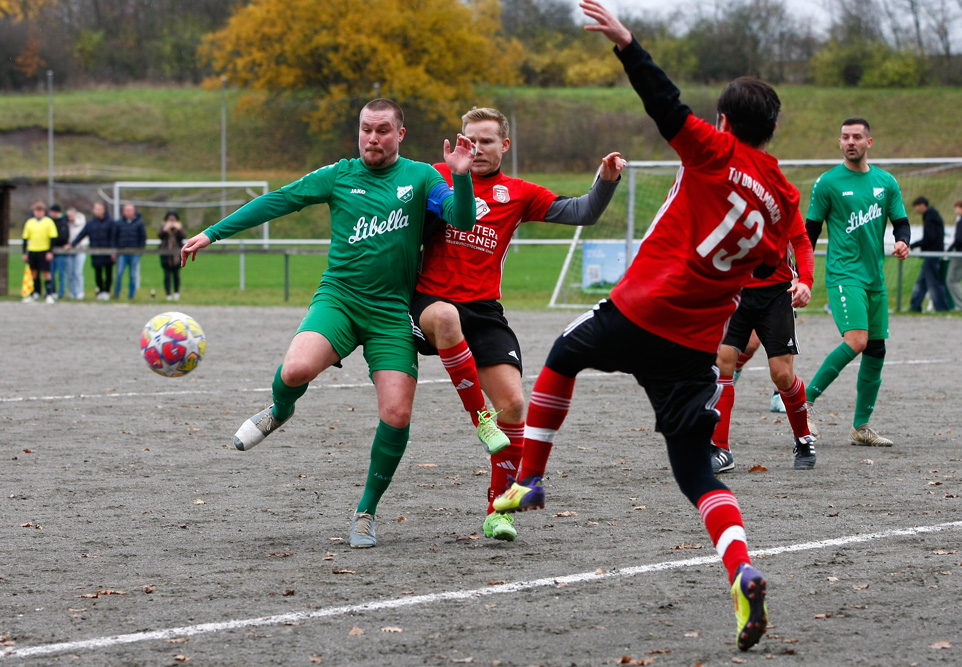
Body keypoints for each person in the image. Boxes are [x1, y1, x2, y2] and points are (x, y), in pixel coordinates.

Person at [494, 1, 801, 651]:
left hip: (644, 309)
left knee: (562, 354)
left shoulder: (715, 150)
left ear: (725, 122)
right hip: (694, 345)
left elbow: (664, 105)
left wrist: (628, 44)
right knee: (699, 476)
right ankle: (741, 569)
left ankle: (531, 475)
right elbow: (771, 262)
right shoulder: (783, 197)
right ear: (773, 131)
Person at [180, 98, 478, 549]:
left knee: (396, 414)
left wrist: (460, 174)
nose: (372, 138)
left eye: (382, 130)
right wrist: (211, 233)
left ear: (400, 134)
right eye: (365, 129)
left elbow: (461, 219)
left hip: (390, 312)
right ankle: (280, 410)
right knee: (295, 371)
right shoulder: (339, 175)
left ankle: (366, 510)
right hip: (338, 300)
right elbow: (278, 201)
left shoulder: (421, 177)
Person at [411, 106, 625, 542]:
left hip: (485, 310)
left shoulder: (519, 193)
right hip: (431, 303)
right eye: (471, 141)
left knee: (514, 405)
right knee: (446, 318)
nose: (478, 149)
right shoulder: (435, 176)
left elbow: (582, 212)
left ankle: (499, 510)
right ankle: (479, 420)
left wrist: (606, 181)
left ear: (504, 146)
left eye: (487, 141)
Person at [803, 118, 910, 447]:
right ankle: (801, 403)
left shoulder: (885, 182)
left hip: (874, 278)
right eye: (845, 137)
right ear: (840, 143)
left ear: (869, 142)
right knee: (857, 341)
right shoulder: (828, 183)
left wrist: (903, 241)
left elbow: (901, 222)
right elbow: (809, 232)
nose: (851, 141)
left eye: (857, 137)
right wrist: (800, 272)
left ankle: (861, 427)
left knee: (876, 349)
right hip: (843, 274)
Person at [710, 217, 815, 474]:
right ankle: (721, 449)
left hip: (777, 294)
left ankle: (803, 439)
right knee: (723, 362)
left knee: (782, 375)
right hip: (736, 290)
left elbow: (801, 240)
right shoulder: (726, 191)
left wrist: (806, 281)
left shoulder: (780, 193)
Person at [908, 196, 949, 313]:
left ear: (922, 205)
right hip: (933, 252)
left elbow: (930, 237)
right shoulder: (933, 214)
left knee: (933, 282)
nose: (916, 210)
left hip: (932, 253)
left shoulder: (930, 216)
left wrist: (916, 245)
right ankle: (915, 306)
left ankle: (942, 308)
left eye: (916, 207)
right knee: (923, 281)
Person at [69, 202, 116, 300]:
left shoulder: (110, 222)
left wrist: (113, 250)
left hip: (107, 252)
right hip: (96, 252)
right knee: (98, 273)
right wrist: (72, 244)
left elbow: (113, 237)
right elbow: (82, 235)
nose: (97, 211)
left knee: (108, 273)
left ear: (104, 210)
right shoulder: (91, 223)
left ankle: (106, 291)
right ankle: (100, 291)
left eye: (100, 209)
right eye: (96, 209)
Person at [21, 201, 58, 304]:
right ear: (34, 212)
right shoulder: (30, 222)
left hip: (44, 250)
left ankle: (49, 294)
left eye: (40, 211)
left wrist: (50, 251)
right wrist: (24, 253)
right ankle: (34, 293)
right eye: (36, 211)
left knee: (46, 272)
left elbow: (52, 238)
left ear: (43, 212)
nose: (38, 213)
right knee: (33, 273)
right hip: (33, 250)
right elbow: (25, 238)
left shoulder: (48, 222)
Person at [112, 203, 147, 300]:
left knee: (133, 274)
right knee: (119, 273)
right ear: (123, 212)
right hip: (122, 253)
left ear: (134, 211)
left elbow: (143, 237)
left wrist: (140, 250)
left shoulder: (139, 223)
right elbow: (114, 237)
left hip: (134, 252)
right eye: (126, 210)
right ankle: (116, 294)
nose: (128, 212)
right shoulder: (119, 223)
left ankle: (131, 295)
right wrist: (114, 250)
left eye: (130, 210)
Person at [159, 210, 186, 301]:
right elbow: (160, 235)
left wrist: (178, 228)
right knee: (167, 275)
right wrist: (166, 229)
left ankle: (176, 293)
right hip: (166, 255)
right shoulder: (164, 226)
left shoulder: (179, 226)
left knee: (176, 275)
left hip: (176, 255)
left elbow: (183, 236)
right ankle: (168, 295)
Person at [48, 204, 71, 299]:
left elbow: (63, 237)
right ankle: (51, 291)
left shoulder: (63, 222)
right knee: (51, 272)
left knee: (62, 273)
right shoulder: (49, 221)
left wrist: (54, 240)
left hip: (61, 250)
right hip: (51, 250)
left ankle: (61, 293)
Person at [65, 206, 88, 300]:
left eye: (71, 215)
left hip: (80, 249)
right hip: (69, 250)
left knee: (78, 272)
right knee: (70, 273)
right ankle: (72, 292)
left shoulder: (81, 223)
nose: (69, 217)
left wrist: (74, 245)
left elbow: (83, 236)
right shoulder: (66, 223)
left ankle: (80, 292)